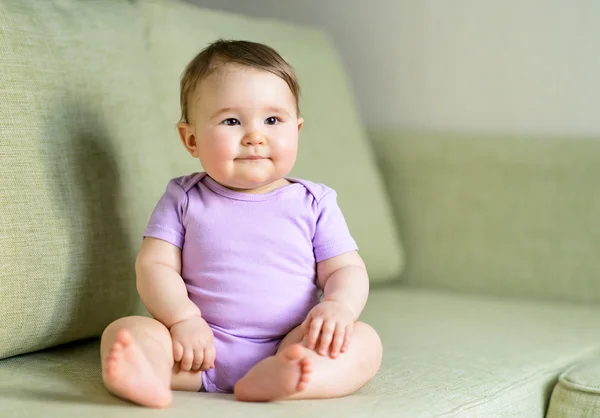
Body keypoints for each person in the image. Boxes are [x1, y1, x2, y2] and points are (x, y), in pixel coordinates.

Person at [100, 39, 382, 408]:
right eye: (232, 121)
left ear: (296, 129)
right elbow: (154, 265)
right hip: (197, 349)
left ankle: (289, 377)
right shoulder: (183, 198)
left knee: (365, 343)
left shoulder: (314, 203)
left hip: (292, 343)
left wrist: (339, 308)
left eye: (272, 120)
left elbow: (345, 268)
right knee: (126, 332)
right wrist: (183, 319)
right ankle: (147, 374)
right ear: (191, 139)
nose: (254, 136)